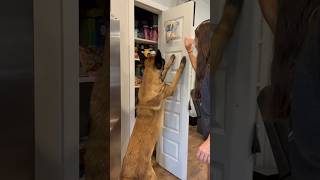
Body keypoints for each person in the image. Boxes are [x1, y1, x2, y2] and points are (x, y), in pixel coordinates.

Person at [184, 20, 213, 167]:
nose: (195, 44)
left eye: (196, 40)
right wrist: (189, 51)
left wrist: (210, 141)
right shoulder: (209, 65)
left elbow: (227, 109)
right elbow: (199, 70)